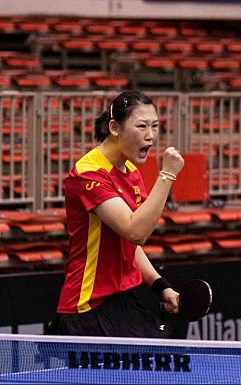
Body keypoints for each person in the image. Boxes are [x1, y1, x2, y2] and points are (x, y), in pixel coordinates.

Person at [49, 90, 184, 337]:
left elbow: (128, 246)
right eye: (141, 126)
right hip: (88, 308)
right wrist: (167, 176)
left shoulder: (130, 171)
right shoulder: (88, 174)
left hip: (124, 300)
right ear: (114, 127)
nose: (151, 136)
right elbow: (135, 232)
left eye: (155, 126)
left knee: (164, 366)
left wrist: (161, 286)